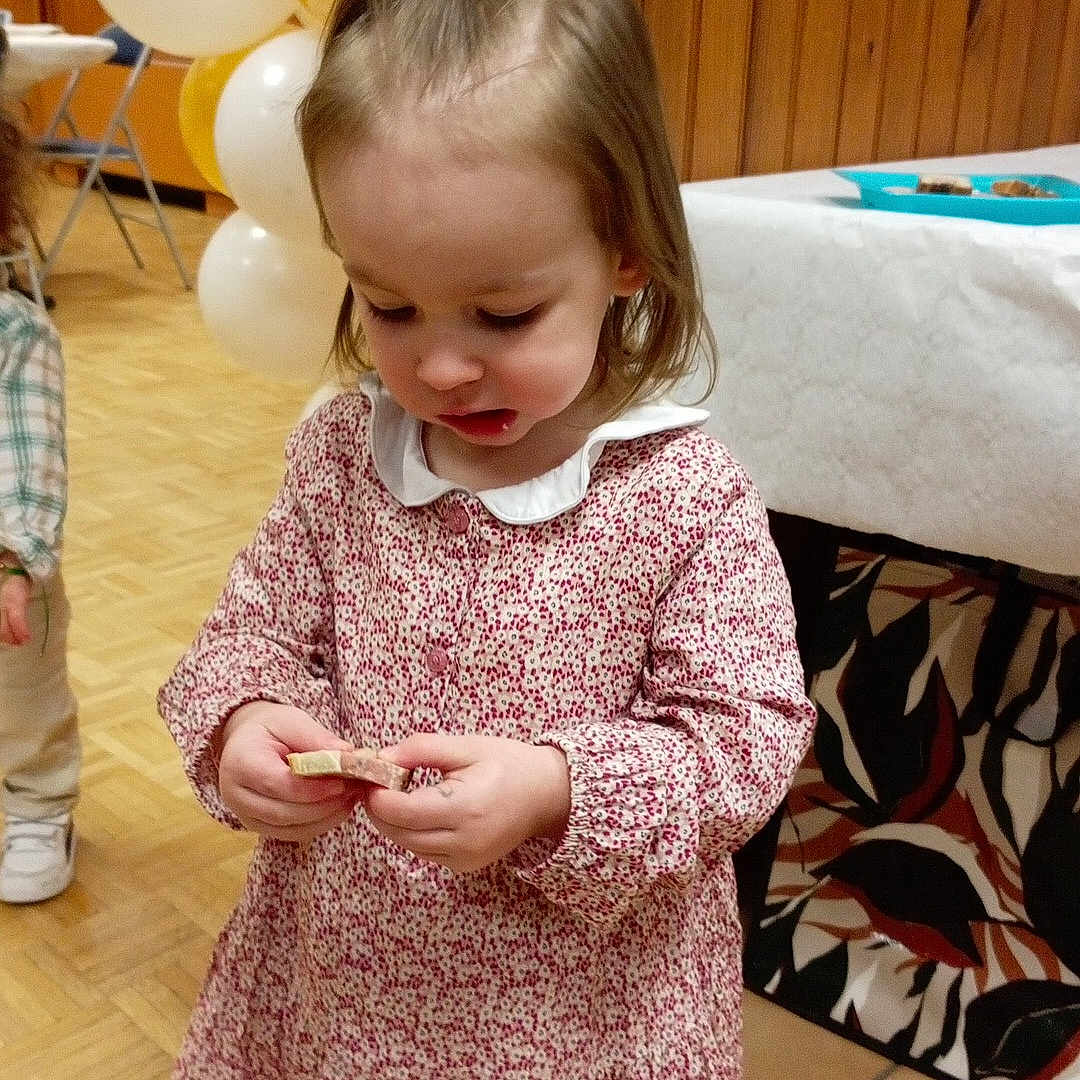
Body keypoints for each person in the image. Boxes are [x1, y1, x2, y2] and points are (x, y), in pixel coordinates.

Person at [158, 1, 816, 1076]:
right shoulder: (342, 457)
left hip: (585, 1017)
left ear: (628, 251)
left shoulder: (683, 494)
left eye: (504, 316)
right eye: (389, 306)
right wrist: (244, 722)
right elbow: (249, 634)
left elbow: (744, 742)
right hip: (346, 990)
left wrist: (558, 788)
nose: (442, 369)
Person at [0, 26, 79, 904]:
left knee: (22, 700)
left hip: (6, 575)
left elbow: (32, 453)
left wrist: (15, 559)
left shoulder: (14, 332)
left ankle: (39, 806)